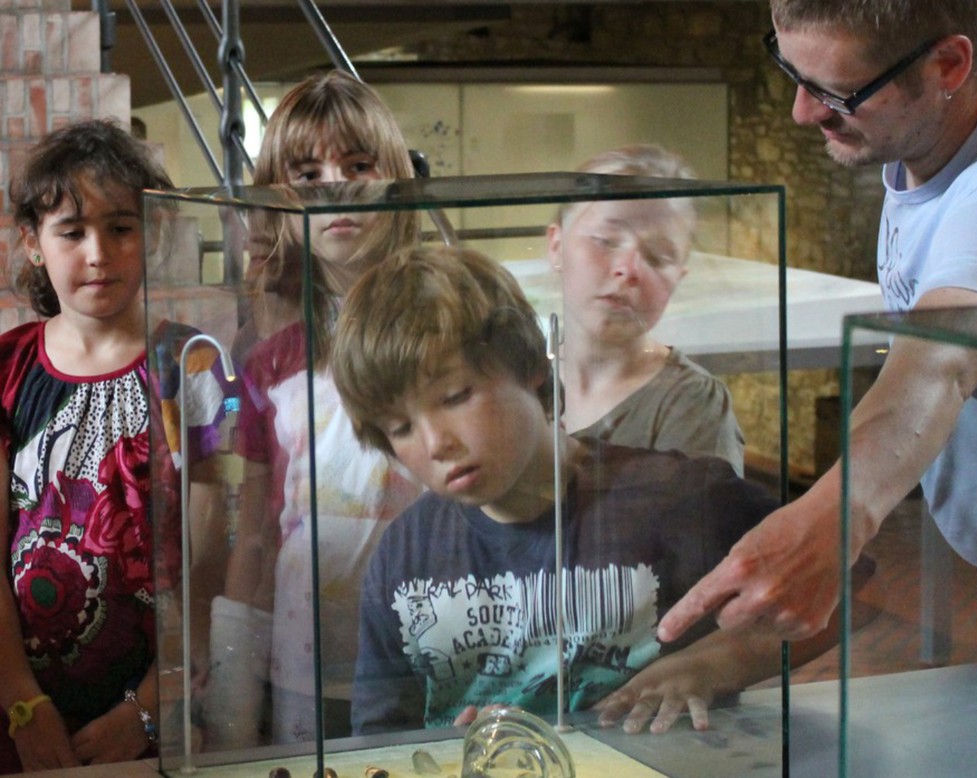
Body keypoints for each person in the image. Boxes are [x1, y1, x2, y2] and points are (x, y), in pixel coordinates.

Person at [331, 245, 842, 736]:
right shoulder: (405, 553)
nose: (435, 443)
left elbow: (842, 591)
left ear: (527, 365)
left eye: (455, 396)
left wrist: (713, 663)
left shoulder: (677, 496)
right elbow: (380, 734)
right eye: (399, 427)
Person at [659, 0, 977, 645]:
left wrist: (832, 517)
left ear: (949, 64)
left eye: (835, 93)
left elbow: (939, 364)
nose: (802, 112)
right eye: (793, 74)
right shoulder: (953, 96)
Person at [0, 119, 235, 773]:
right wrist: (22, 702)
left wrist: (152, 704)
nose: (98, 253)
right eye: (72, 232)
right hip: (24, 709)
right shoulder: (8, 369)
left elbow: (210, 555)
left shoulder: (190, 364)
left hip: (159, 708)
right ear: (33, 243)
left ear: (150, 234)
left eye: (120, 228)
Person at [203, 70, 424, 748]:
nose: (337, 187)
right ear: (280, 195)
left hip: (428, 643)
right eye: (307, 172)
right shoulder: (274, 358)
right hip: (308, 660)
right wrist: (231, 701)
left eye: (359, 165)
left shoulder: (442, 325)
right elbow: (262, 528)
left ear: (393, 177)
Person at [548, 144, 745, 474]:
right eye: (606, 241)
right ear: (557, 247)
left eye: (657, 257)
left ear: (678, 277)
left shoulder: (691, 405)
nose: (629, 269)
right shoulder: (514, 379)